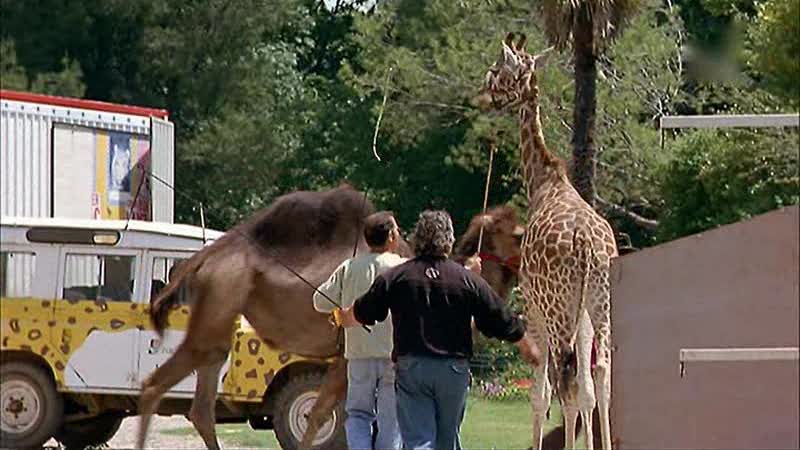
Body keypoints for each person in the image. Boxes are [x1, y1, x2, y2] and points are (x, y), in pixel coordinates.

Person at [338, 210, 541, 450]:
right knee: (448, 441)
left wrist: (341, 317)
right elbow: (499, 316)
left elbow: (361, 313)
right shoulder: (467, 280)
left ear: (416, 239)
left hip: (412, 368)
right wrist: (526, 344)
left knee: (418, 440)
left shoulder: (397, 277)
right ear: (449, 241)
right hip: (453, 371)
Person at [314, 211, 406, 450]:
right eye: (397, 230)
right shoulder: (403, 268)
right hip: (394, 356)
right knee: (391, 419)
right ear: (390, 237)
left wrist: (340, 305)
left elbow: (319, 301)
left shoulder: (348, 267)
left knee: (358, 414)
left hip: (358, 355)